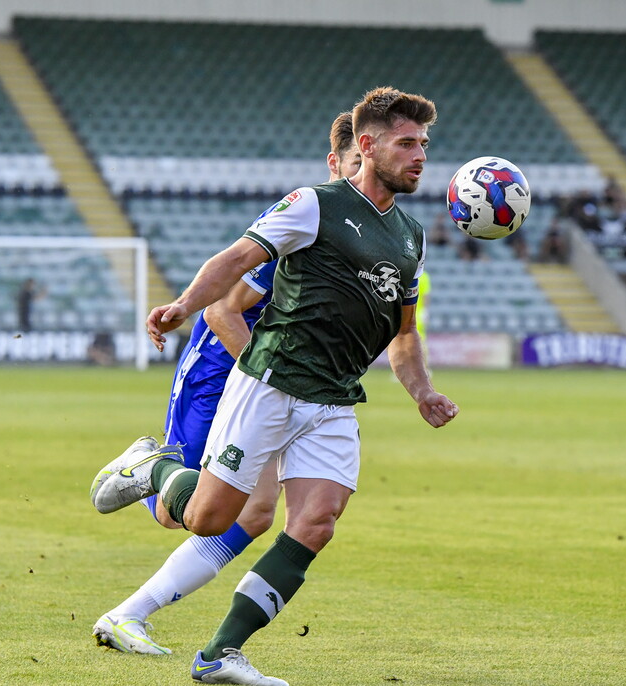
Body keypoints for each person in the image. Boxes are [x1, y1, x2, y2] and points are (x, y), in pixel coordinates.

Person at [91, 86, 458, 686]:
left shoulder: (410, 238)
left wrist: (423, 393)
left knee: (316, 521)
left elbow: (405, 335)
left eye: (424, 144)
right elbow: (236, 259)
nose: (420, 155)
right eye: (406, 143)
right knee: (211, 517)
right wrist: (184, 305)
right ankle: (149, 472)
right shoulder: (315, 205)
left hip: (335, 399)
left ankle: (218, 655)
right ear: (365, 147)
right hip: (272, 382)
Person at [89, 112, 363, 656]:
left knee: (256, 514)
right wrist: (271, 382)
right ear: (336, 164)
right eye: (355, 163)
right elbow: (222, 312)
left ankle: (128, 615)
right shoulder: (308, 218)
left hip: (273, 384)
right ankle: (149, 467)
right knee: (181, 514)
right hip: (224, 372)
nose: (364, 174)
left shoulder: (365, 234)